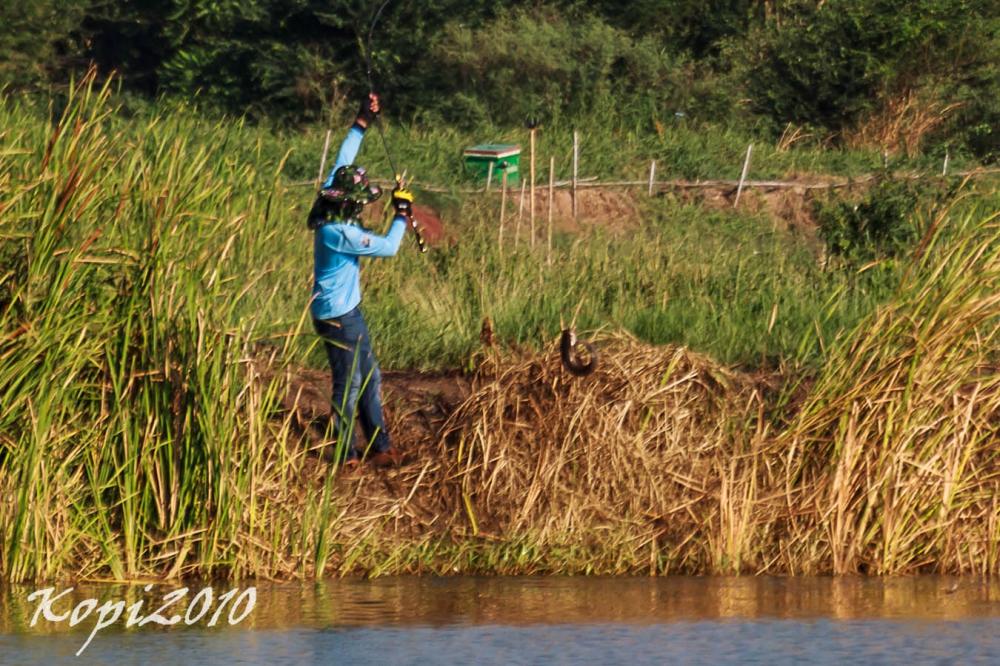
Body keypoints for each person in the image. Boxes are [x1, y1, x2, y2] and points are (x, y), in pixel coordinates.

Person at [308, 92, 412, 468]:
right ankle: (346, 453)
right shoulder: (338, 232)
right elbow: (387, 248)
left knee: (370, 375)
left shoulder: (329, 204)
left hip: (346, 311)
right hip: (338, 316)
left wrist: (361, 122)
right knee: (348, 384)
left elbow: (343, 160)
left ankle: (380, 446)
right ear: (348, 203)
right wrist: (402, 215)